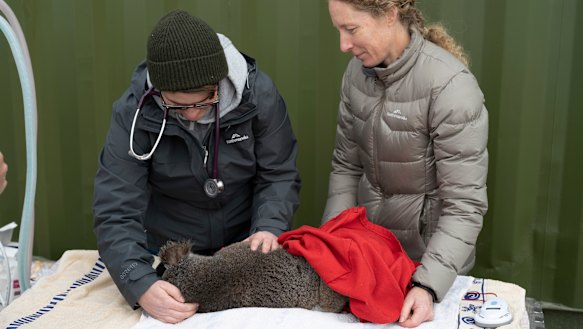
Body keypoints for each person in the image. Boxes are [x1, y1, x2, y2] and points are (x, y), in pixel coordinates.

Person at [93, 9, 300, 324]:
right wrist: (139, 282)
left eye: (204, 100)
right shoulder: (132, 114)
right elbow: (115, 208)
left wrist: (269, 227)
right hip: (170, 255)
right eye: (177, 104)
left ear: (219, 81)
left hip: (244, 248)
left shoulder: (258, 96)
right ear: (158, 91)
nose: (192, 114)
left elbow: (279, 174)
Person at [324, 0, 488, 327]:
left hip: (426, 265)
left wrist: (427, 284)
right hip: (369, 262)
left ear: (389, 15)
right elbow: (346, 167)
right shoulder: (356, 74)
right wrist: (332, 248)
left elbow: (464, 204)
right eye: (338, 30)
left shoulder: (450, 86)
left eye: (351, 29)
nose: (343, 45)